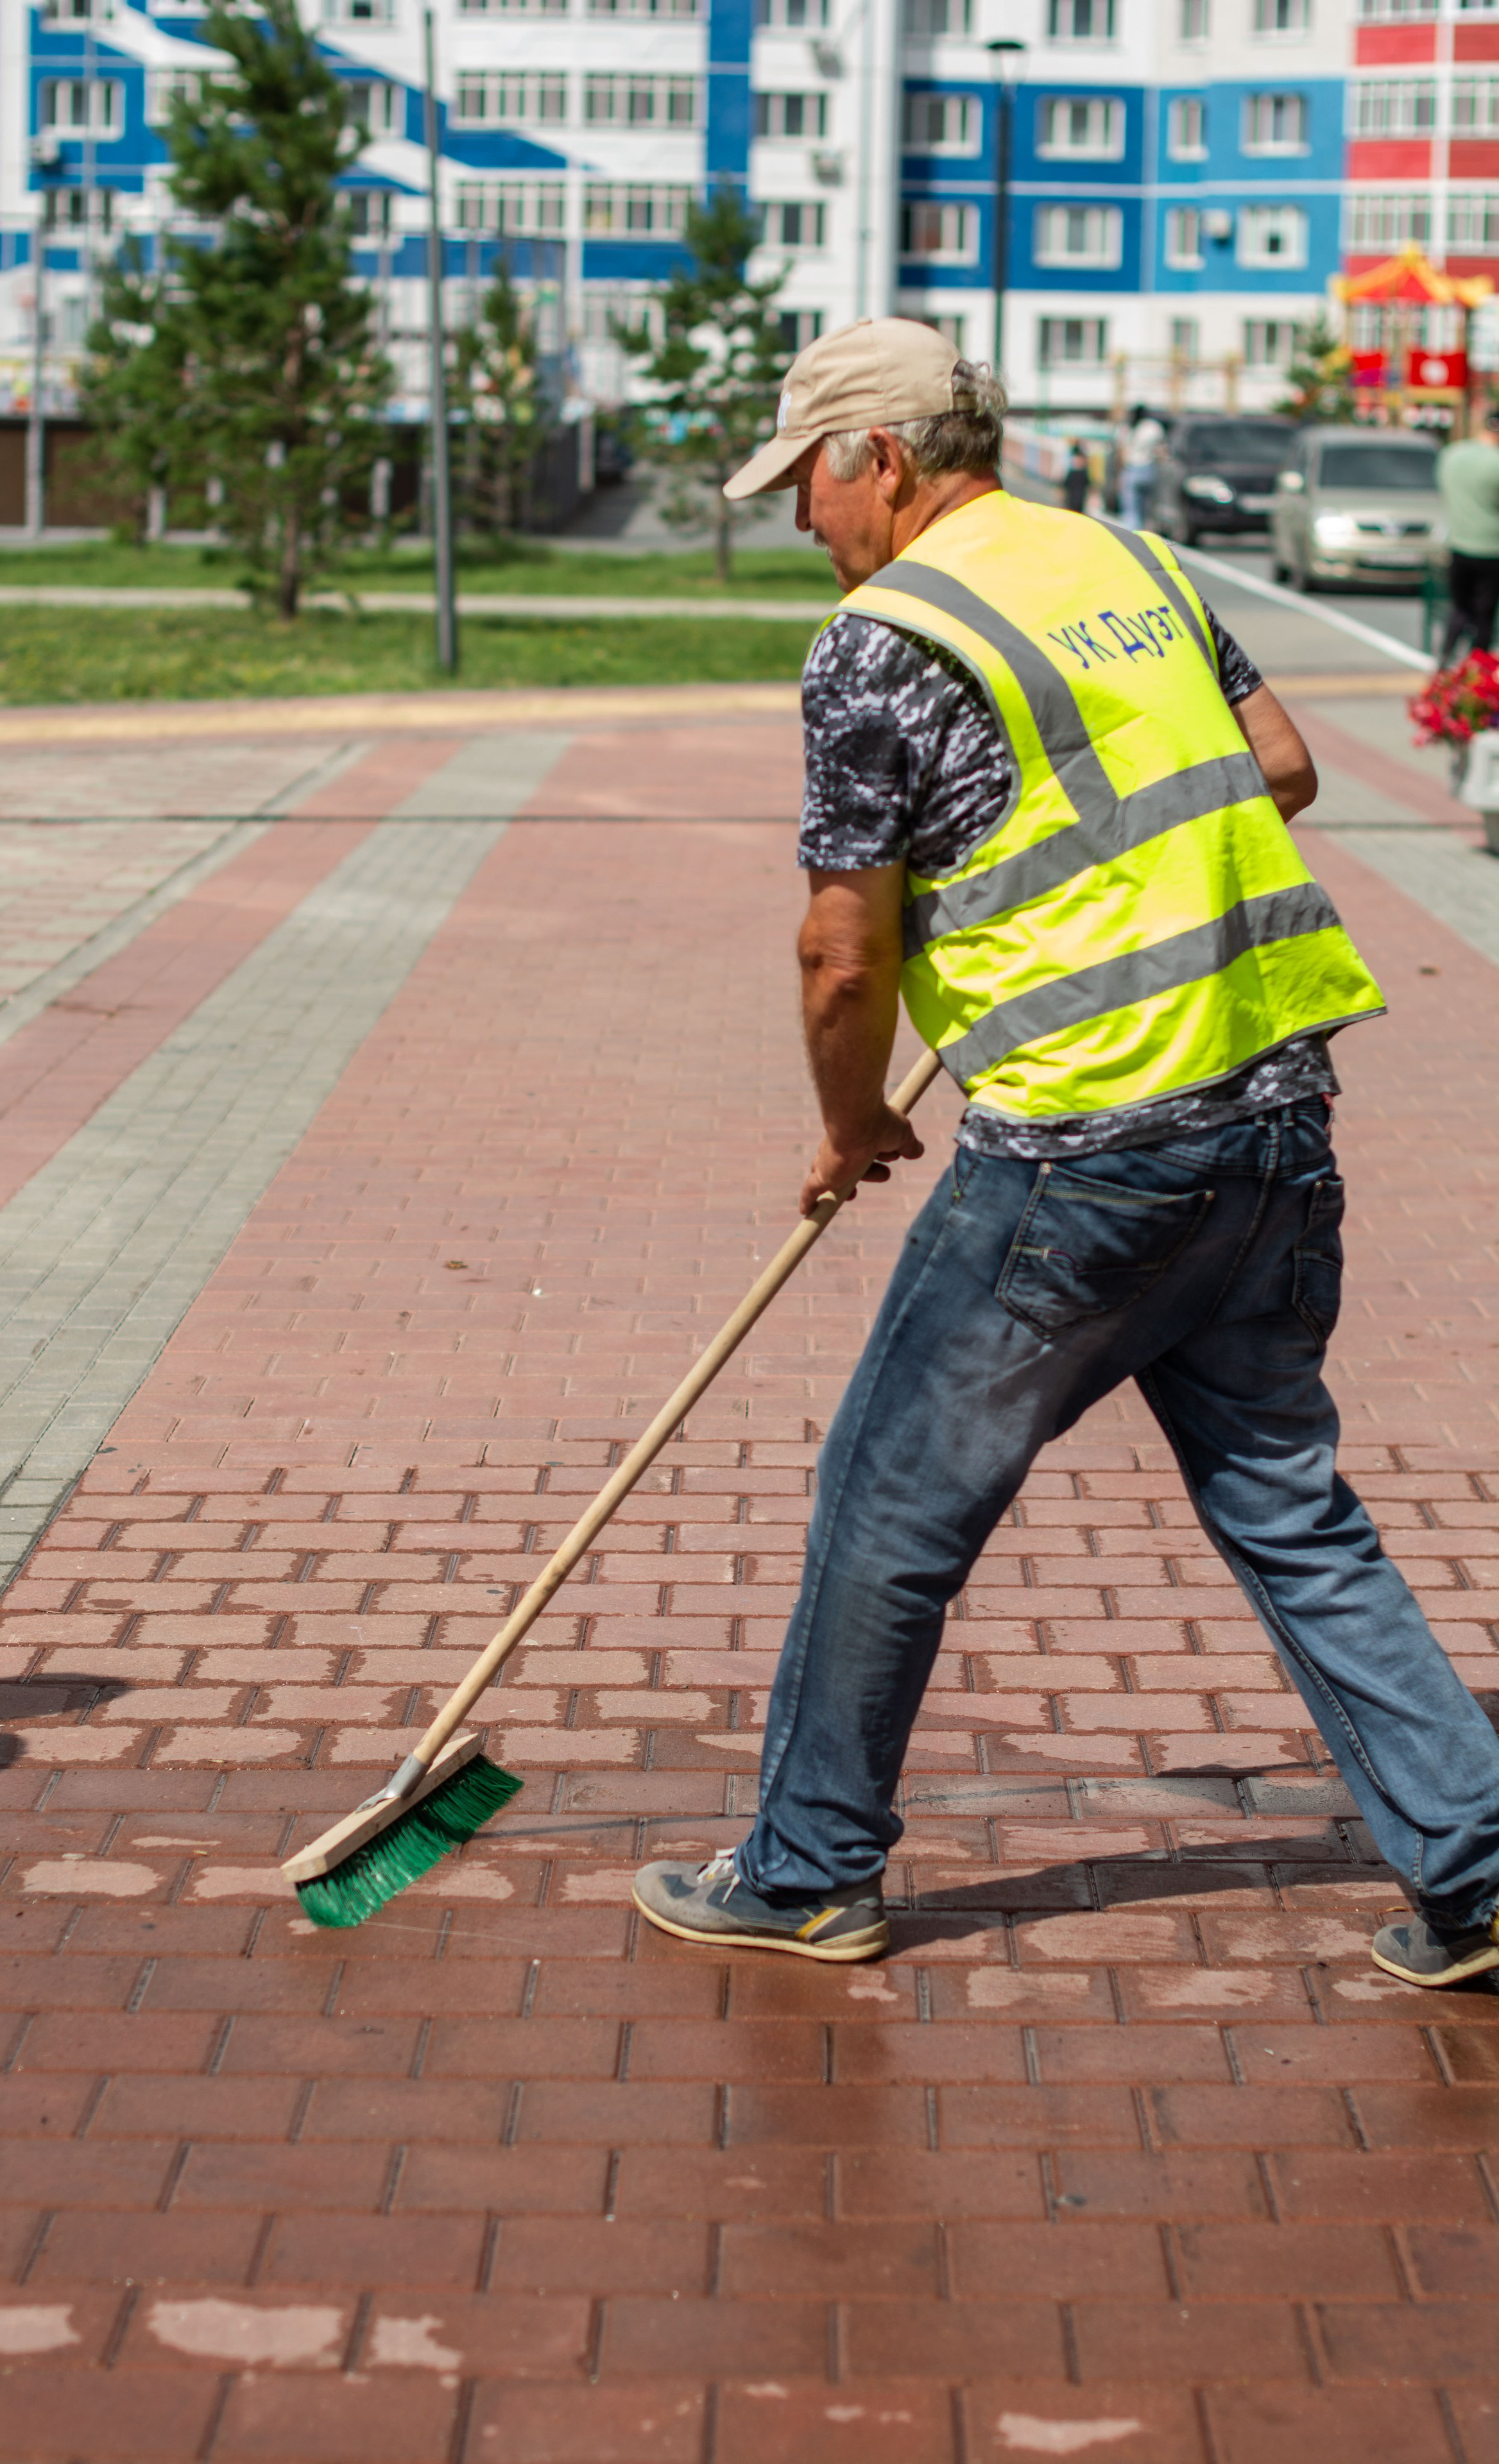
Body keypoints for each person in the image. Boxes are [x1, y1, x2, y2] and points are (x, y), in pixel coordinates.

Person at [631, 316, 1499, 1991]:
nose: (805, 522)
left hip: (1087, 1161)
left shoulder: (880, 639)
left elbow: (841, 950)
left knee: (887, 1499)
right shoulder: (1131, 561)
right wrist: (1082, 878)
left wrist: (849, 1114)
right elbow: (1280, 765)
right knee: (1288, 1508)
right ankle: (1475, 1869)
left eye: (806, 481)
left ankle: (808, 1869)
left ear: (874, 458)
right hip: (1275, 1123)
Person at [1436, 406, 1499, 664]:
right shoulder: (1495, 463)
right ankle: (1476, 672)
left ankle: (1444, 661)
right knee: (1484, 616)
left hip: (1459, 544)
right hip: (1491, 548)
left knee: (1460, 609)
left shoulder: (1452, 455)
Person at [1117, 402, 1165, 529]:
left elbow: (1121, 453)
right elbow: (1161, 449)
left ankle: (1133, 534)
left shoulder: (1126, 428)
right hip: (1149, 468)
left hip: (1131, 469)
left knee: (1131, 508)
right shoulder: (1153, 427)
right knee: (1147, 506)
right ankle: (1145, 531)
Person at [1062, 436, 1091, 514]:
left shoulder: (1083, 472)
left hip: (1079, 500)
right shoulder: (1074, 472)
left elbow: (1088, 485)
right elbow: (1066, 484)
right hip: (1072, 499)